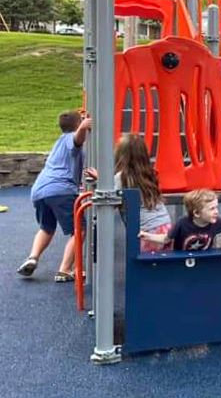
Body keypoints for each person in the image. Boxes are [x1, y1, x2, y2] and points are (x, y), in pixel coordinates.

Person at [17, 110, 91, 282]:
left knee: (46, 228)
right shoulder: (70, 138)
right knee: (79, 229)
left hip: (39, 189)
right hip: (60, 189)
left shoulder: (58, 142)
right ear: (77, 125)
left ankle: (32, 257)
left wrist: (80, 120)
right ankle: (65, 270)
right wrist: (83, 127)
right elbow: (77, 140)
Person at [86, 134, 172, 253]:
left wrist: (101, 182)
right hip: (165, 227)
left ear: (121, 155)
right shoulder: (150, 174)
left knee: (142, 265)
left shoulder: (122, 178)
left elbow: (110, 199)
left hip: (145, 232)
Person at [138, 188, 221, 252]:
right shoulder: (182, 223)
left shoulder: (216, 221)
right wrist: (147, 236)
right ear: (197, 213)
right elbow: (166, 239)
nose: (216, 211)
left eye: (216, 207)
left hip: (203, 260)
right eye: (212, 209)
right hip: (182, 260)